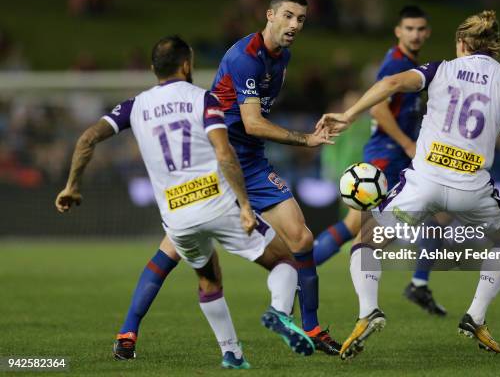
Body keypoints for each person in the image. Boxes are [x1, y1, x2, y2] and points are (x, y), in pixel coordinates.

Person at [317, 10, 500, 358]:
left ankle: (368, 311)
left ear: (461, 43)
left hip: (423, 181)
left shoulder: (438, 68)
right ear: (495, 49)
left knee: (366, 240)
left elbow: (391, 84)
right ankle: (475, 315)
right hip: (472, 188)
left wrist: (349, 115)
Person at [55, 35, 315, 369]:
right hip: (218, 204)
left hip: (177, 216)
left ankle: (230, 353)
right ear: (187, 64)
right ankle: (280, 311)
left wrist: (72, 186)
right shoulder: (203, 100)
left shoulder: (135, 105)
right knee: (284, 261)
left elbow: (88, 138)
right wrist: (245, 205)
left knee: (206, 279)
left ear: (152, 69)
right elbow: (225, 153)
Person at [109, 0, 342, 357]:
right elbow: (251, 122)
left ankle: (309, 326)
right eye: (288, 16)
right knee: (169, 253)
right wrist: (305, 139)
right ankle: (127, 334)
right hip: (219, 162)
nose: (294, 24)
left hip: (252, 162)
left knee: (302, 240)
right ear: (269, 15)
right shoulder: (245, 57)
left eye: (300, 19)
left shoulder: (282, 56)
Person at [313, 5, 447, 316]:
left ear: (426, 33)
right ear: (398, 32)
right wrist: (408, 144)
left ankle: (418, 284)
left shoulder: (411, 64)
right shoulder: (396, 63)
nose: (414, 34)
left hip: (395, 156)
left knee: (436, 218)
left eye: (420, 29)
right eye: (409, 29)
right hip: (388, 156)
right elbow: (379, 109)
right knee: (361, 228)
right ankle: (302, 272)